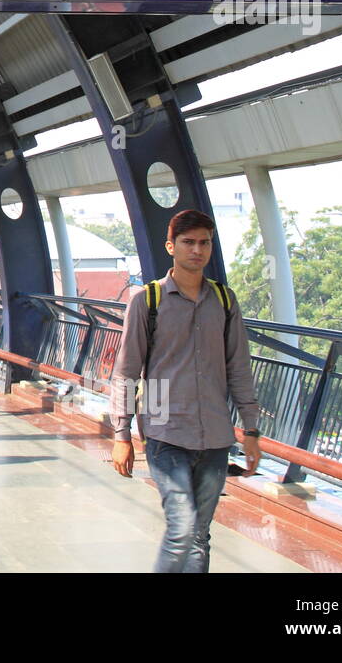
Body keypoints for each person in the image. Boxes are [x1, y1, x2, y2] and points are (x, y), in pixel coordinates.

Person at [109, 209, 262, 574]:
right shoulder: (148, 300)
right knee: (181, 528)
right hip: (164, 428)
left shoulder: (224, 301)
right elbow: (127, 370)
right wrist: (121, 433)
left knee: (199, 535)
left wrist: (251, 431)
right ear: (171, 247)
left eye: (204, 243)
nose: (197, 250)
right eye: (188, 242)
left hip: (214, 434)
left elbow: (239, 368)